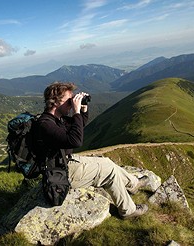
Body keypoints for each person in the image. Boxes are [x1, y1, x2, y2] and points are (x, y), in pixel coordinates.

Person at [36, 81, 149, 219]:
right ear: (56, 102)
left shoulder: (56, 118)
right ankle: (128, 210)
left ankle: (133, 184)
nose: (72, 103)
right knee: (109, 171)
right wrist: (76, 111)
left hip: (64, 162)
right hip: (61, 173)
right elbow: (75, 140)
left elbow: (79, 125)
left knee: (105, 161)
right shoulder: (45, 124)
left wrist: (83, 108)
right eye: (68, 100)